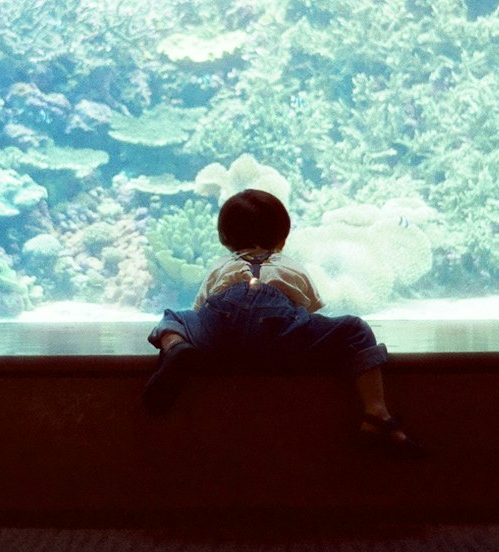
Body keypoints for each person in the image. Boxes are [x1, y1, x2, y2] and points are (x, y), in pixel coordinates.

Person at [143, 188, 424, 457]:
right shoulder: (289, 264)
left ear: (225, 241)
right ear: (283, 238)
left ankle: (176, 348)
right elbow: (310, 307)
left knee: (174, 318)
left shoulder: (221, 265)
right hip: (277, 326)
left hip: (222, 323)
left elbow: (202, 306)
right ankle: (376, 410)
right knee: (354, 329)